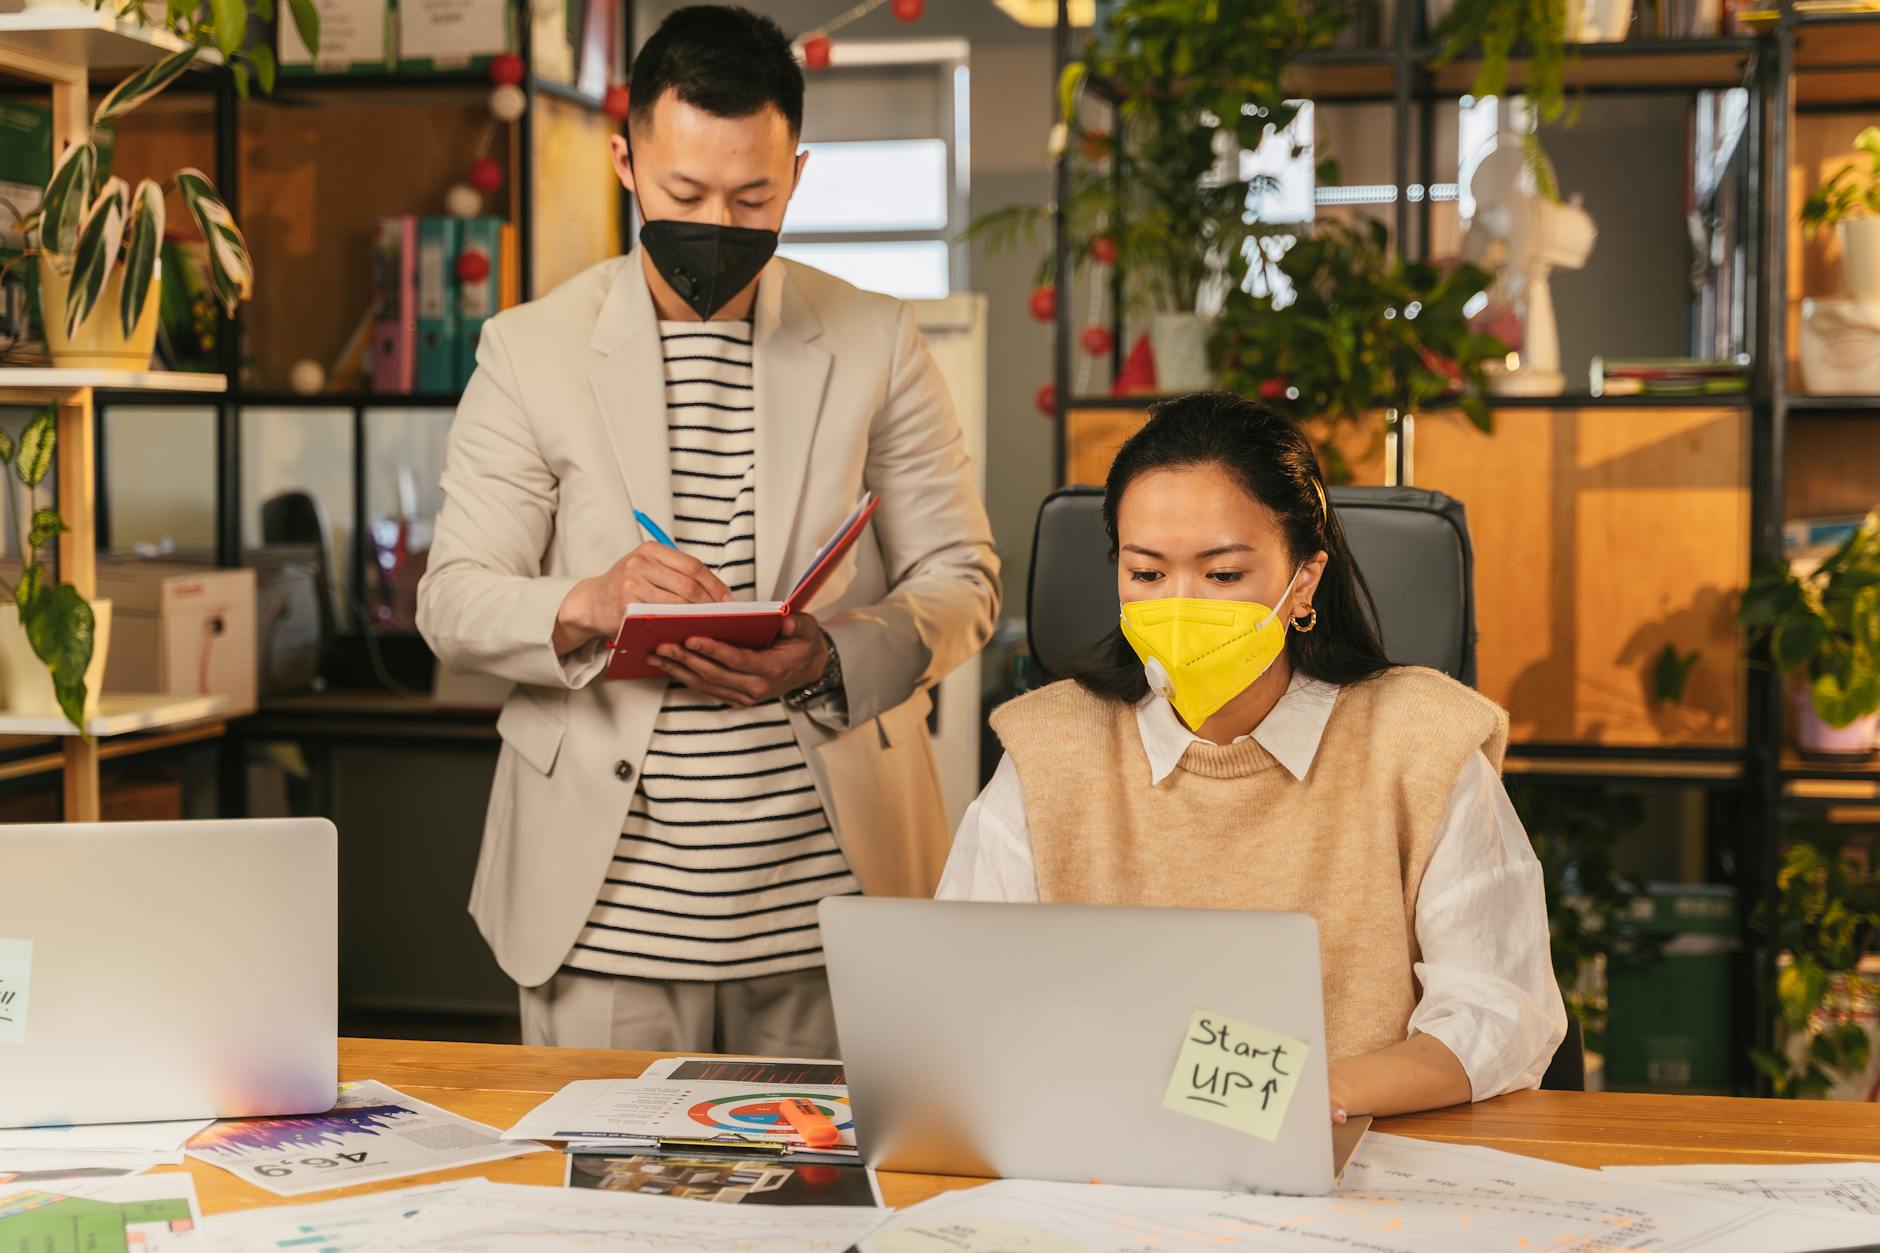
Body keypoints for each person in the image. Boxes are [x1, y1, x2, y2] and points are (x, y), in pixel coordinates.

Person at [418, 4, 999, 1057]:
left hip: (832, 903)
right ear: (625, 163)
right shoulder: (528, 348)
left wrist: (830, 652)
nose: (717, 222)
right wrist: (588, 601)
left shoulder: (878, 339)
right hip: (600, 919)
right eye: (685, 194)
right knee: (601, 1170)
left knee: (840, 1171)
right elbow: (453, 599)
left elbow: (962, 576)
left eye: (753, 197)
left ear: (796, 176)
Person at [938, 392, 1564, 1121]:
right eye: (1147, 575)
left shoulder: (1423, 740)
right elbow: (962, 998)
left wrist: (1305, 1099)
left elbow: (1502, 1013)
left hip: (1360, 1150)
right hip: (1103, 1152)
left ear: (1304, 580)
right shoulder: (1050, 748)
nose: (1180, 605)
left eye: (1223, 575)